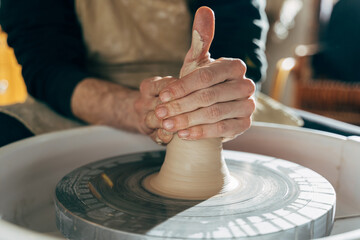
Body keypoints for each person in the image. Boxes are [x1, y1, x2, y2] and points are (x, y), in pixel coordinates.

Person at [0, 0, 269, 147]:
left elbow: (242, 47)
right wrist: (139, 109)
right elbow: (47, 69)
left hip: (207, 97)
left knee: (310, 142)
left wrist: (223, 88)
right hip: (87, 98)